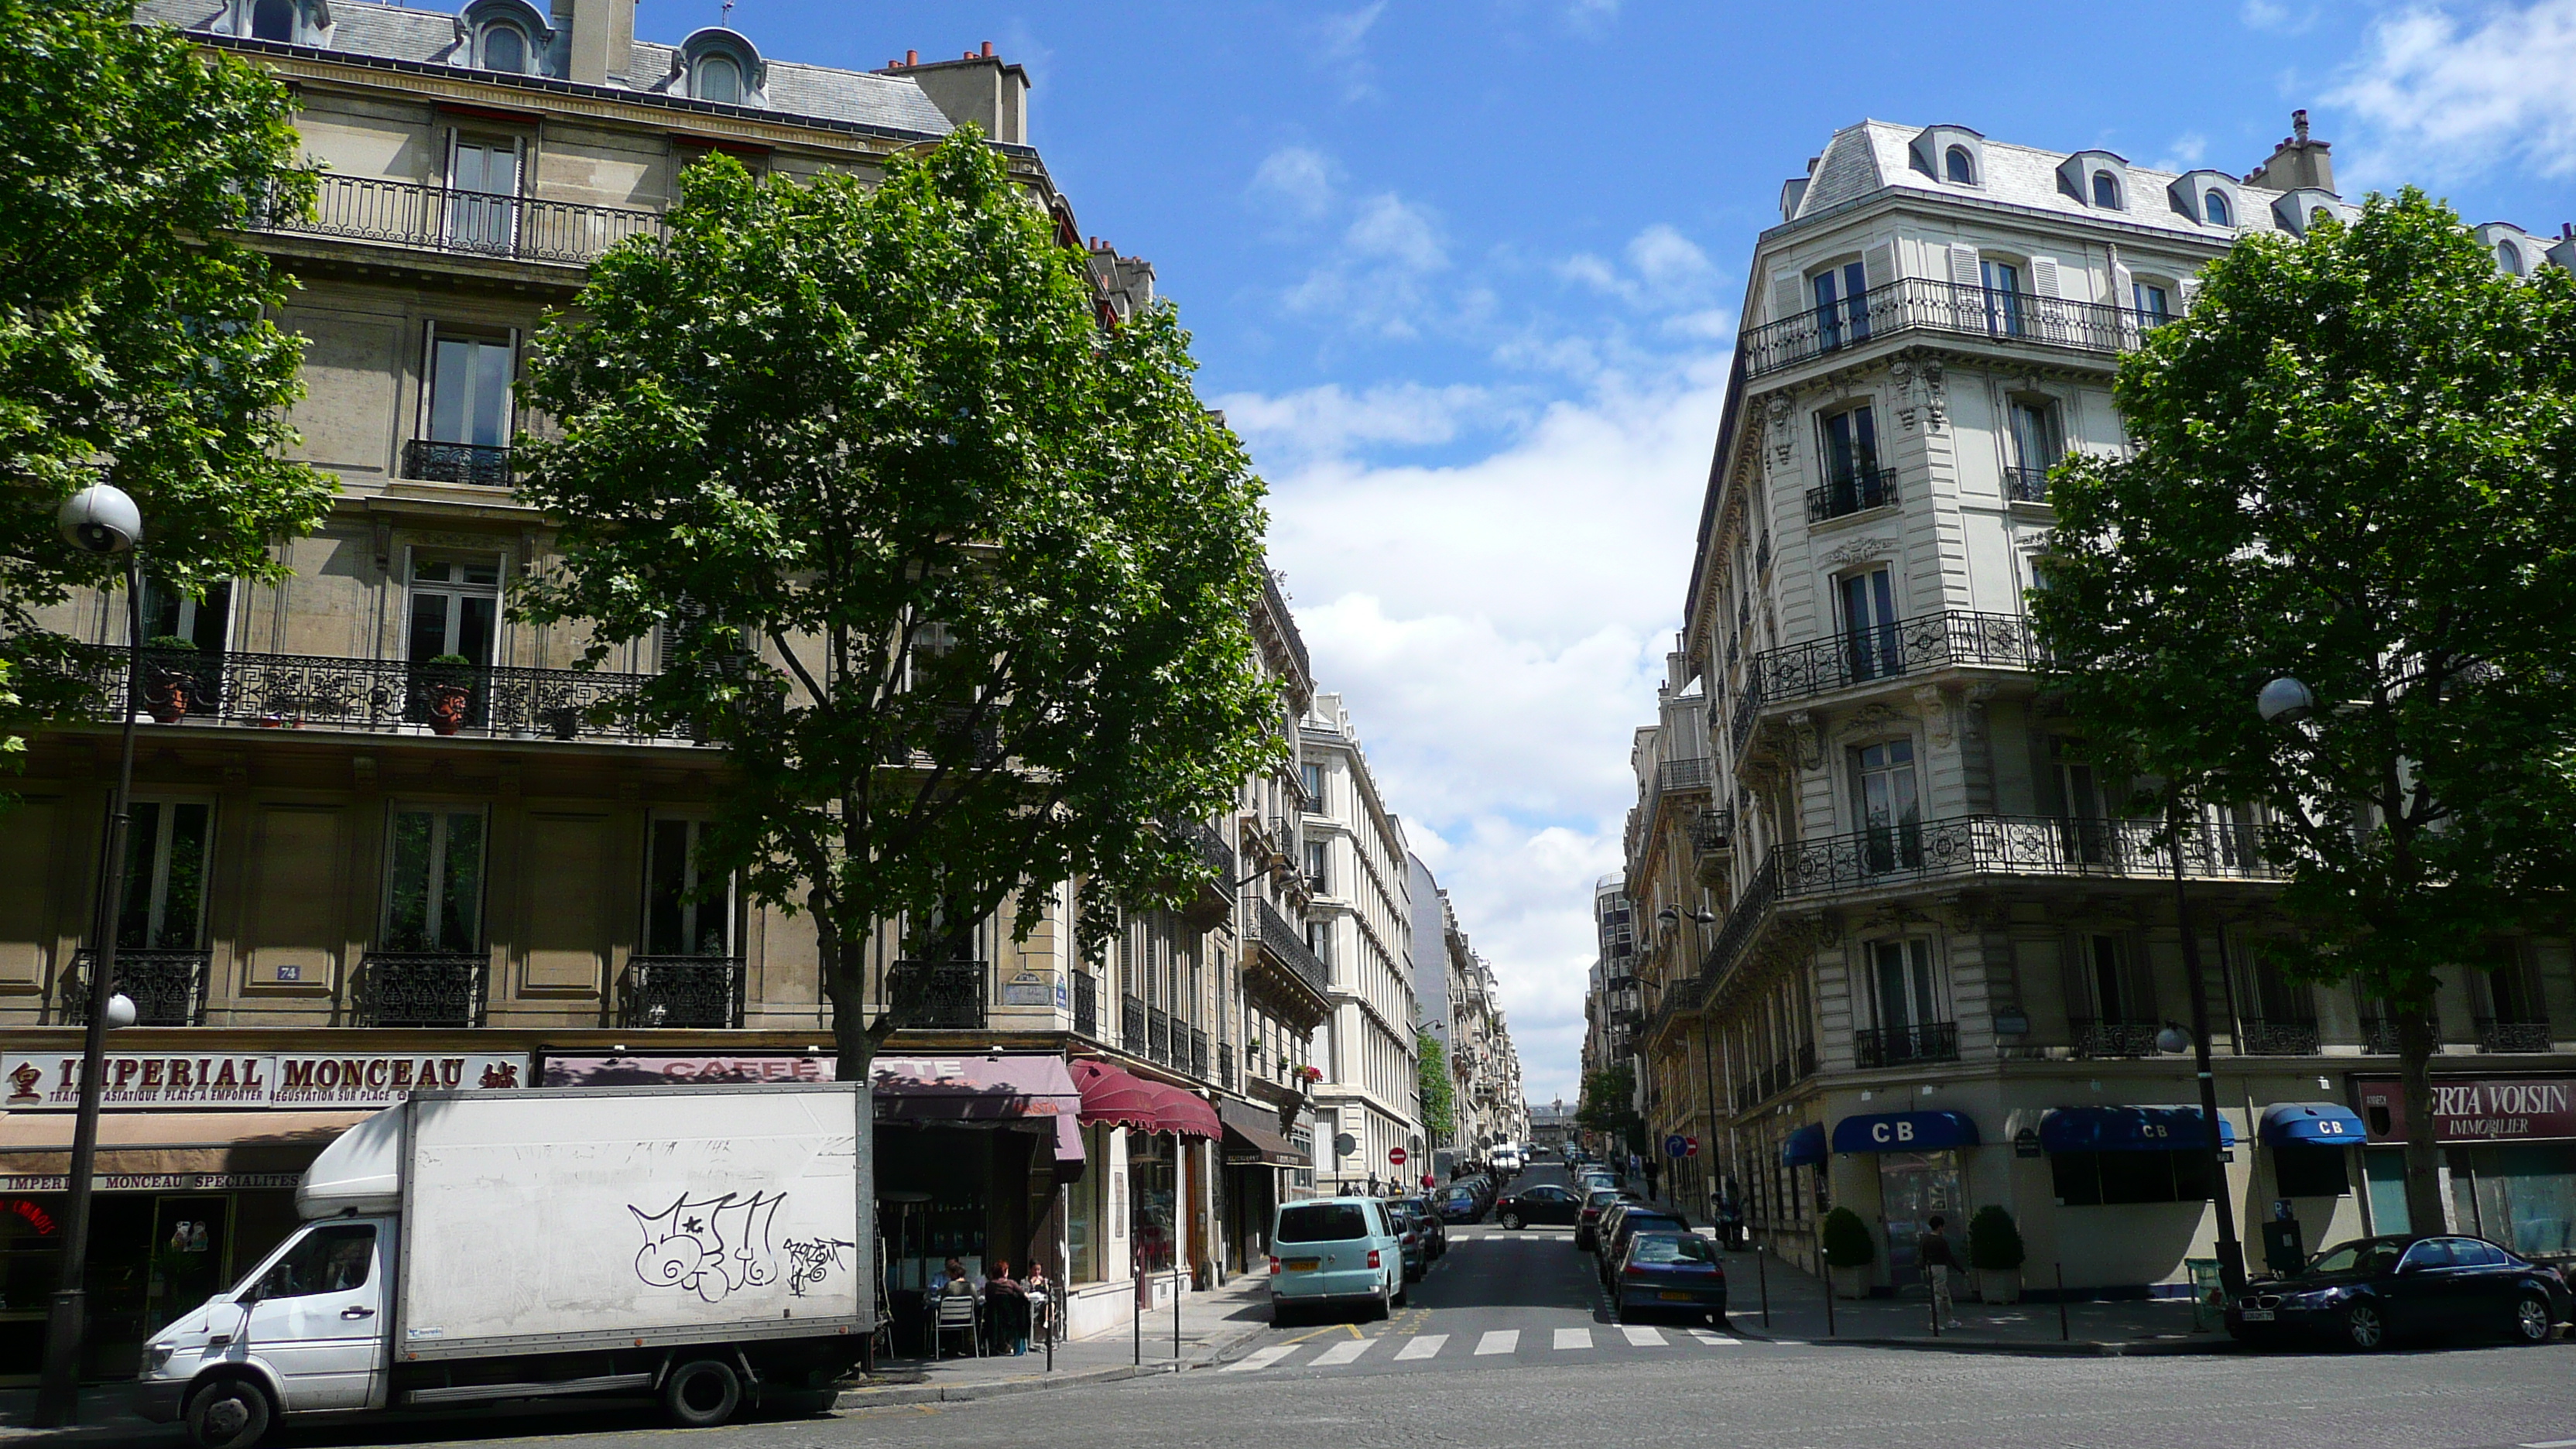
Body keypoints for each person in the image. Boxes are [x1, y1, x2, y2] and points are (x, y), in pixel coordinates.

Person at [1917, 1214, 1962, 1329]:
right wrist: (1962, 1271)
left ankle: (1950, 1319)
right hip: (1940, 1268)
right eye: (1942, 1226)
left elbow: (1922, 1255)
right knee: (1938, 1295)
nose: (1943, 1229)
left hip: (1930, 1268)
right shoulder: (1941, 1241)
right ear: (1939, 1227)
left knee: (1944, 1294)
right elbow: (1949, 1257)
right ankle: (1934, 1322)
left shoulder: (1925, 1239)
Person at [982, 1259, 1028, 1355]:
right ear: (1005, 1272)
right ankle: (1012, 1345)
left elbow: (987, 1298)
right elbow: (1023, 1294)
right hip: (1010, 1318)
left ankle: (994, 1345)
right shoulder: (1011, 1284)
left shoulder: (989, 1285)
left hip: (993, 1320)